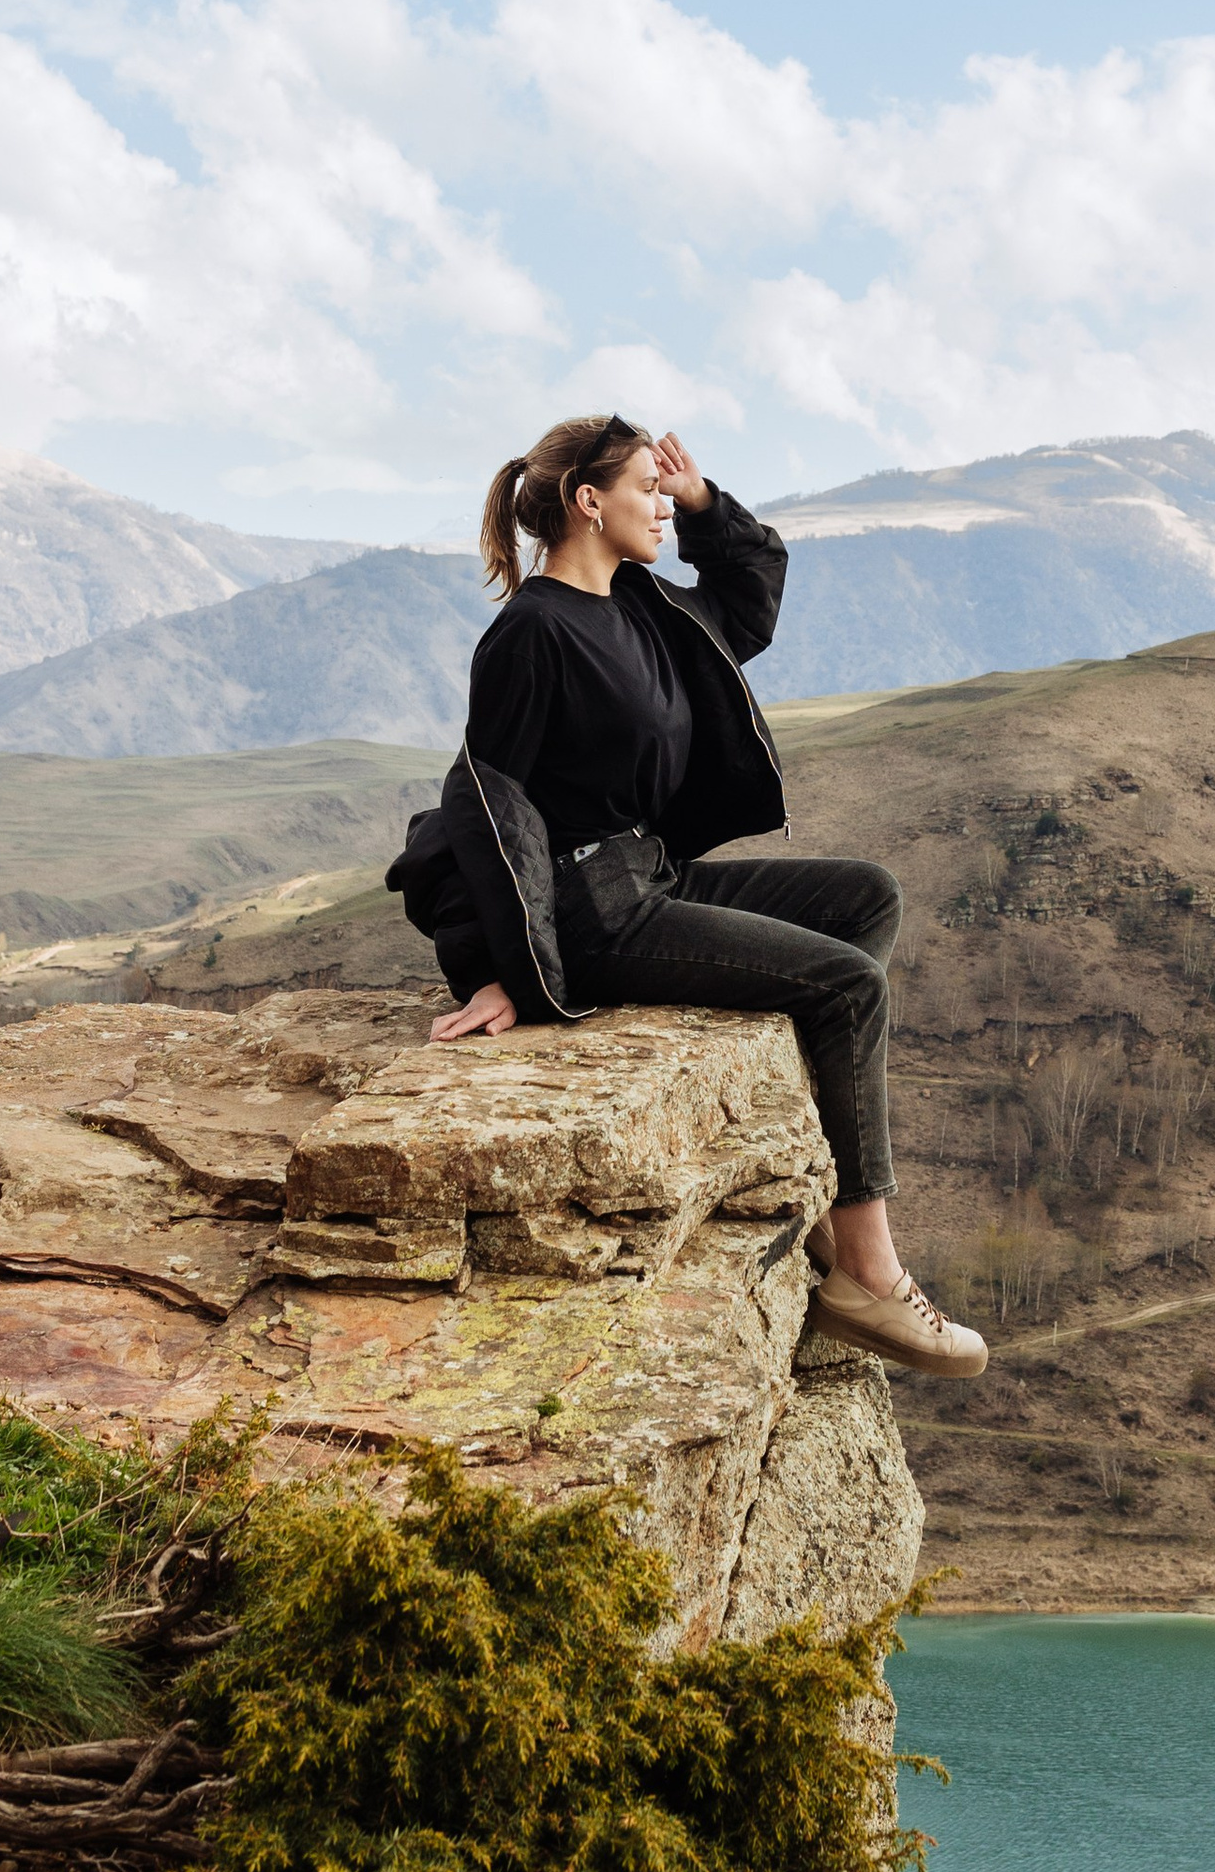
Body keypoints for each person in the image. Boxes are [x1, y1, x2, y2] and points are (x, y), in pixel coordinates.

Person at [390, 411, 986, 1377]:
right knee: (846, 985)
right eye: (646, 492)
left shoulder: (638, 604)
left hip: (652, 870)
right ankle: (867, 1274)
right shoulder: (529, 635)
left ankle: (827, 1168)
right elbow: (481, 806)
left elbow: (748, 603)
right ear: (588, 502)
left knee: (863, 899)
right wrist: (494, 966)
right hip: (593, 911)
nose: (661, 507)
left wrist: (707, 504)